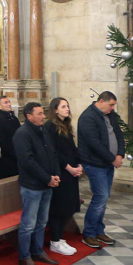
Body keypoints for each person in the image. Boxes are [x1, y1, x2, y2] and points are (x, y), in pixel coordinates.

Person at [13, 102, 61, 265]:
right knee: (28, 224)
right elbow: (28, 162)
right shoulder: (22, 134)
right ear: (29, 116)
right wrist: (47, 178)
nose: (43, 116)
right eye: (39, 114)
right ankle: (24, 257)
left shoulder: (43, 130)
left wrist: (56, 174)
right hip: (32, 186)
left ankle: (37, 251)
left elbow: (52, 154)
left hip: (47, 184)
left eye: (43, 113)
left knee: (41, 222)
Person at [77, 92, 125, 249]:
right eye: (111, 105)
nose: (113, 108)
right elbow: (94, 143)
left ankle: (99, 231)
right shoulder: (87, 117)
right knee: (101, 197)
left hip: (108, 163)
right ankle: (89, 233)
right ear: (102, 101)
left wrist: (120, 154)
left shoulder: (110, 115)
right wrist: (112, 159)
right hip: (94, 163)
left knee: (104, 198)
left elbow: (119, 135)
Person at [45, 98, 82, 256]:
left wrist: (79, 165)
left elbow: (73, 148)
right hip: (60, 172)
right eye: (63, 106)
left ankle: (60, 238)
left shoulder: (66, 125)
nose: (67, 109)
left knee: (68, 206)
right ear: (55, 110)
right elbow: (53, 152)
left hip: (71, 172)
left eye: (67, 106)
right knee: (58, 207)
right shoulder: (50, 127)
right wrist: (69, 168)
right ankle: (55, 240)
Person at [0, 96, 21, 179]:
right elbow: (1, 141)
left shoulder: (14, 118)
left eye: (9, 102)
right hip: (7, 158)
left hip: (18, 155)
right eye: (6, 102)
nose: (9, 104)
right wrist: (14, 153)